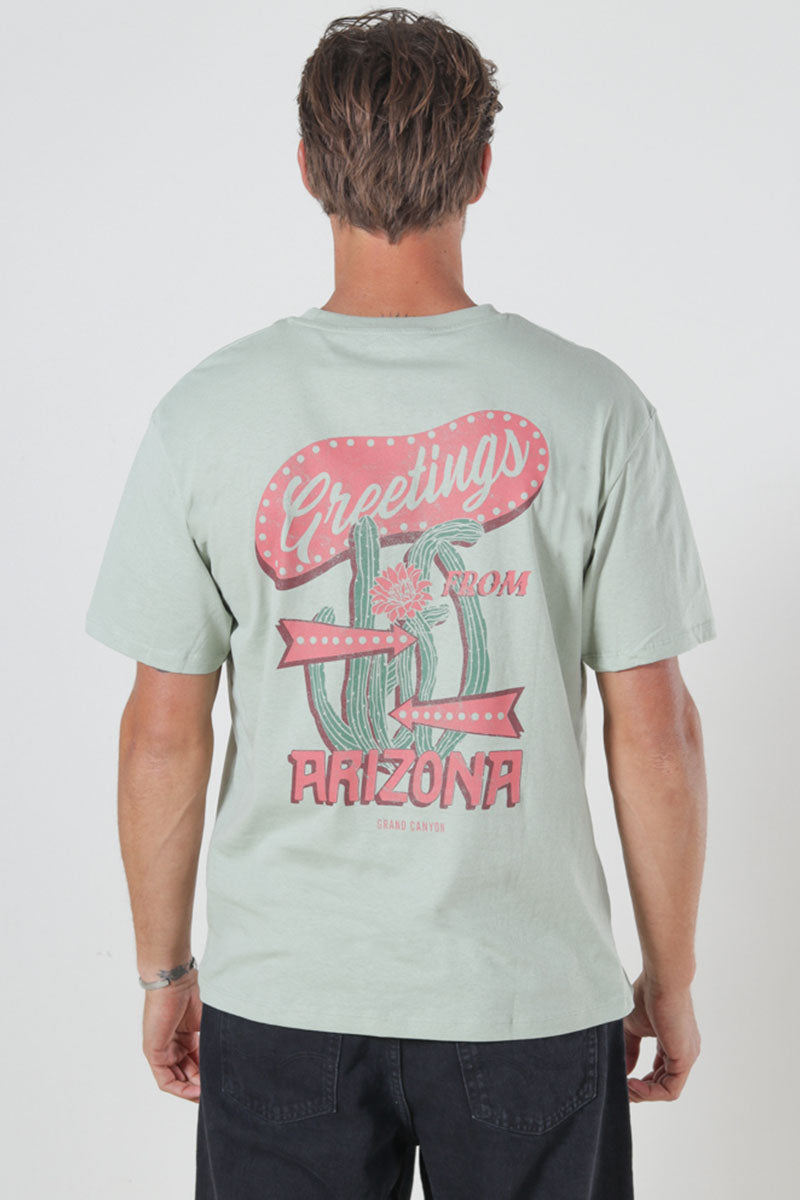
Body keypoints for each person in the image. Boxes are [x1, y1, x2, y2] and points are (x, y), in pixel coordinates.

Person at [85, 8, 716, 1198]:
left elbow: (161, 734)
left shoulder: (206, 415)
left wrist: (164, 971)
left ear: (306, 167)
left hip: (285, 999)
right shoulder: (594, 408)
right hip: (528, 998)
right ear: (480, 167)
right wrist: (667, 977)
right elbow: (655, 734)